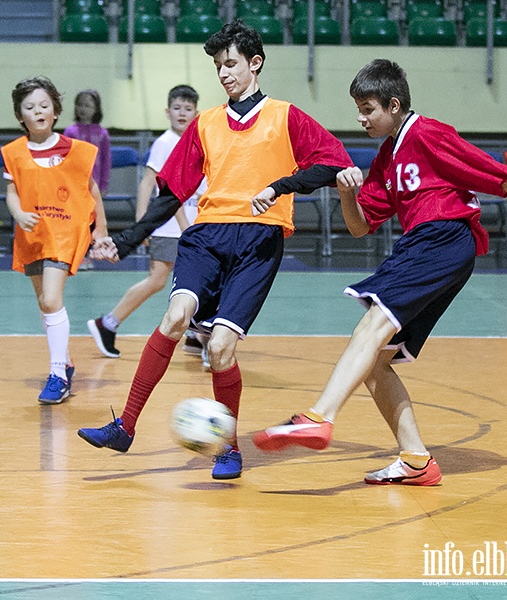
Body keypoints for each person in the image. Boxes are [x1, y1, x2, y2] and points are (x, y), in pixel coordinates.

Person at [253, 59, 507, 485]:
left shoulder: (429, 133)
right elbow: (361, 226)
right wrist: (347, 194)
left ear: (394, 104)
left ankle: (318, 417)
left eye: (368, 109)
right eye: (358, 110)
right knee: (376, 362)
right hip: (427, 246)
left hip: (442, 239)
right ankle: (417, 460)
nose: (360, 118)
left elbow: (488, 169)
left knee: (371, 325)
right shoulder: (387, 156)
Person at [77, 20, 352, 480]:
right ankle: (124, 426)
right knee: (174, 317)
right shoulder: (205, 124)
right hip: (206, 237)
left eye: (231, 64)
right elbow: (170, 192)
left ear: (254, 63)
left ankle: (228, 448)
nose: (223, 74)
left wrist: (281, 185)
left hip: (259, 240)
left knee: (221, 347)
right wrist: (126, 240)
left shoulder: (286, 117)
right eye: (218, 67)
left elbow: (334, 162)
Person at [2, 77, 110, 404]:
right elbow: (11, 193)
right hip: (32, 234)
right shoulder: (14, 153)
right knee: (45, 303)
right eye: (30, 107)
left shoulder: (74, 149)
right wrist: (19, 214)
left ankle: (58, 375)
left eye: (44, 105)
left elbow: (92, 192)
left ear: (55, 111)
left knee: (51, 300)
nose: (38, 111)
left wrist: (101, 231)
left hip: (64, 233)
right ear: (20, 115)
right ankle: (67, 359)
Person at [87, 84, 209, 365]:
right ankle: (109, 323)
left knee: (189, 281)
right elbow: (149, 183)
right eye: (177, 108)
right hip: (170, 227)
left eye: (188, 109)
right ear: (167, 112)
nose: (182, 113)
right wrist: (144, 224)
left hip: (189, 224)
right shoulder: (166, 143)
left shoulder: (195, 140)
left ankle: (193, 333)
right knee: (161, 280)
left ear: (196, 113)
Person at [64, 89, 112, 196]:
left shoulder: (102, 133)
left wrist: (104, 185)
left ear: (96, 109)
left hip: (95, 182)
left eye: (87, 105)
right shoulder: (70, 131)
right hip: (74, 183)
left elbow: (106, 160)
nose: (83, 109)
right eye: (80, 105)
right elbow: (65, 159)